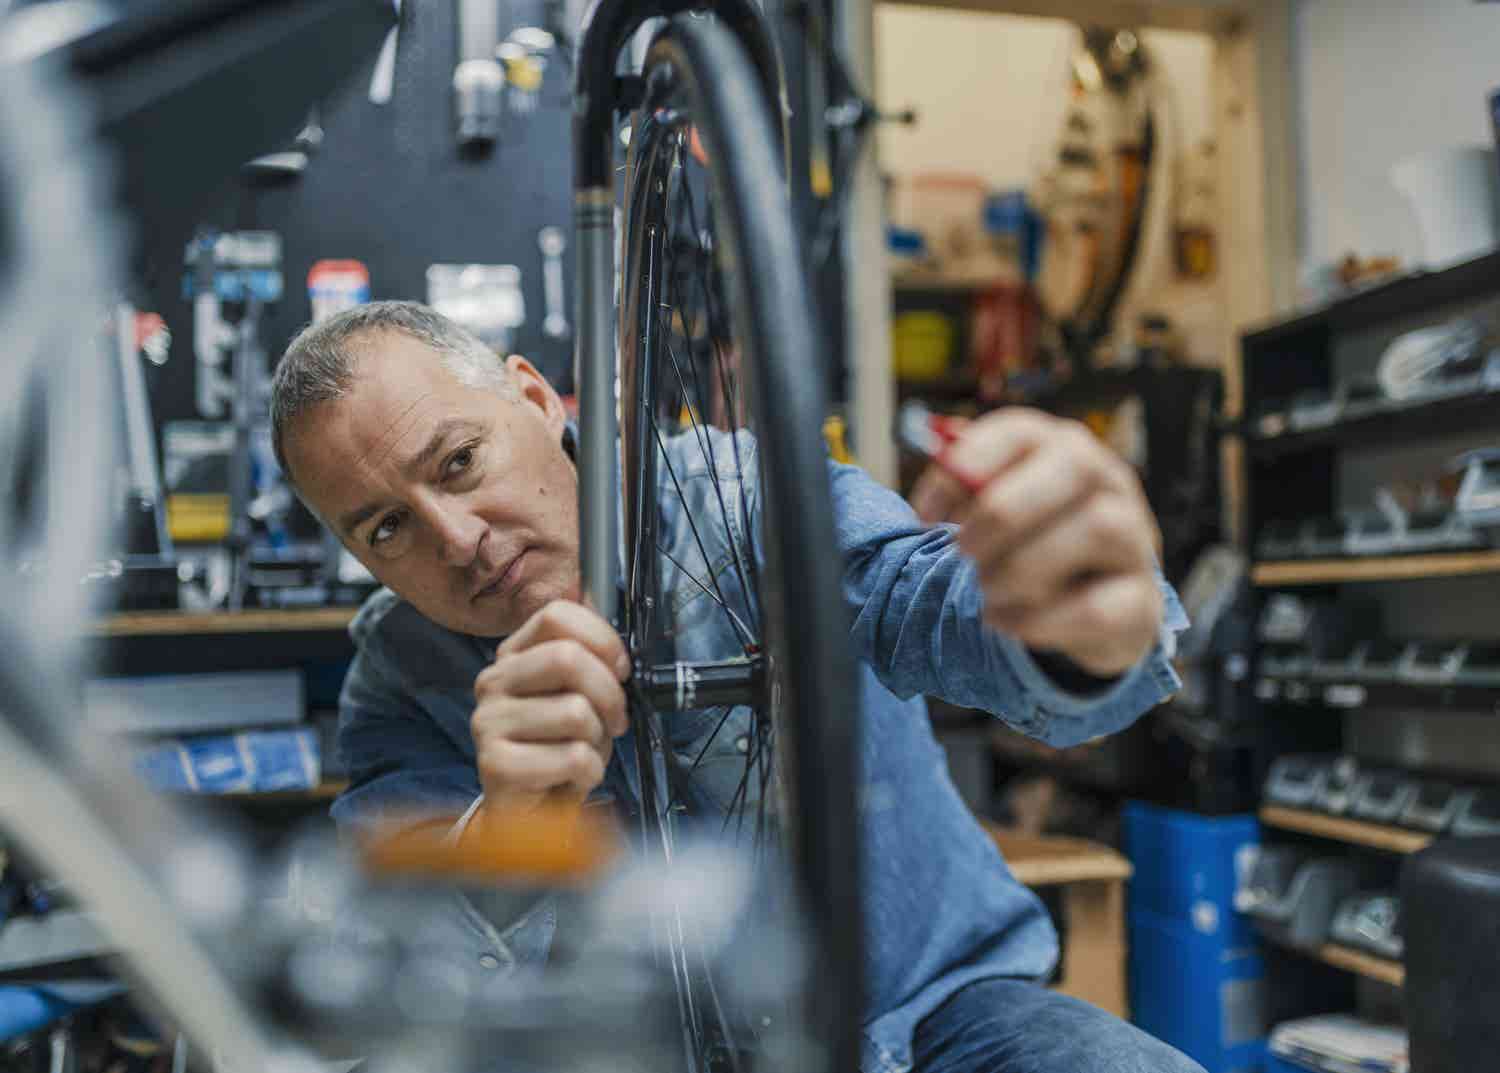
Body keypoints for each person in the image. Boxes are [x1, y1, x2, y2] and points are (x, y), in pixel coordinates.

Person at [269, 300, 1201, 1073]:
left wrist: (1078, 618)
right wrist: (508, 826)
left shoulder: (742, 497)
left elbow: (926, 598)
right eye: (387, 529)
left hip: (925, 1023)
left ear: (535, 396)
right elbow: (392, 974)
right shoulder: (398, 683)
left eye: (459, 462)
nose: (455, 538)